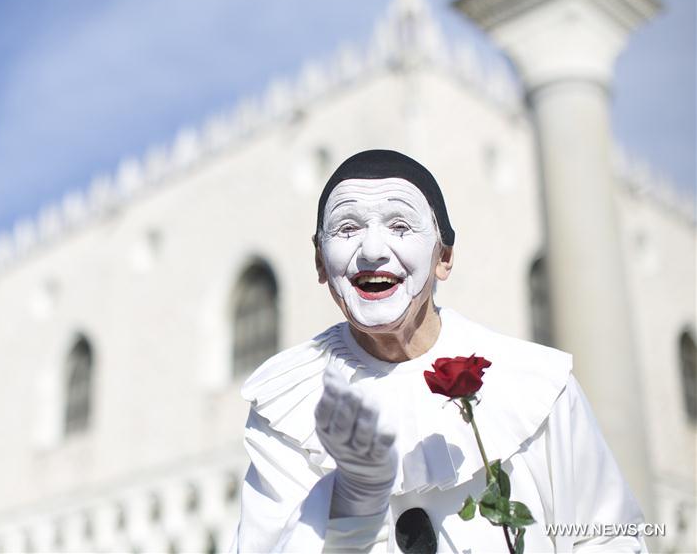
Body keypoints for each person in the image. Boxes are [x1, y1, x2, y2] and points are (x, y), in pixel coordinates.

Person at [232, 150, 646, 553]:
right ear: (321, 263)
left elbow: (607, 534)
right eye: (346, 229)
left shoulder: (537, 384)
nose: (372, 250)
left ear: (443, 258)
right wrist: (350, 503)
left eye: (399, 226)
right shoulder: (287, 402)